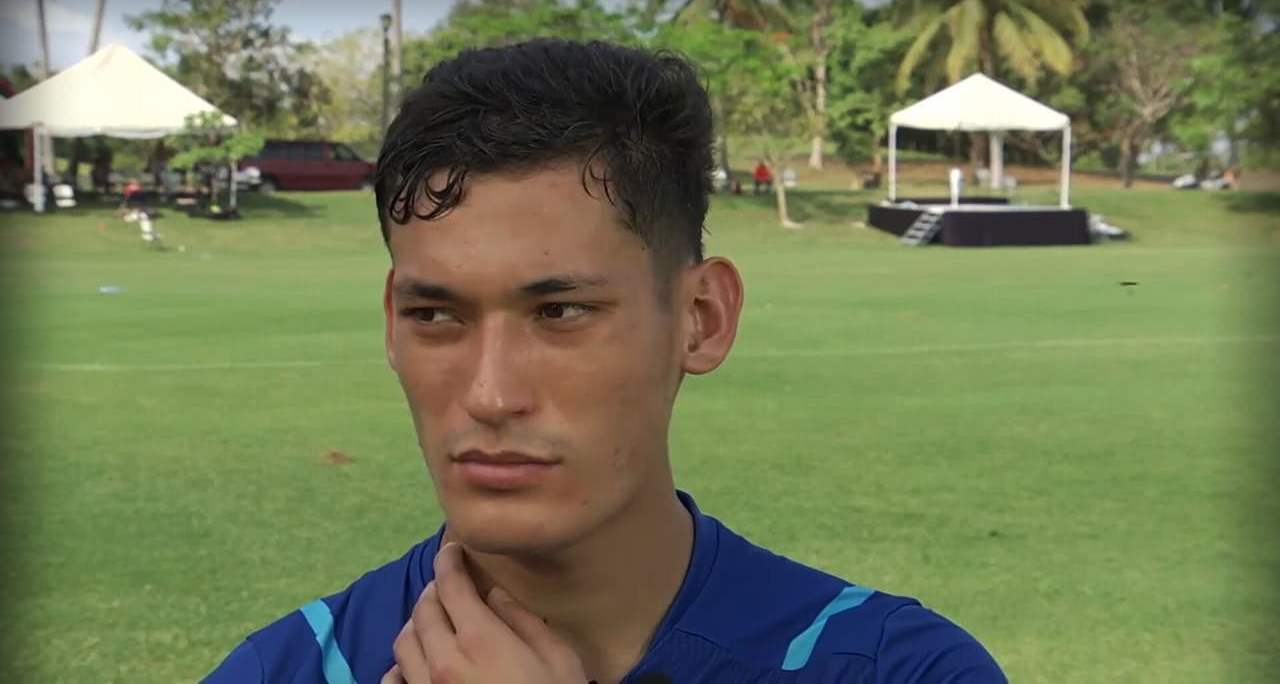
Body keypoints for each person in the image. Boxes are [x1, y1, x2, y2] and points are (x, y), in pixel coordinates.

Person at [202, 38, 1006, 684]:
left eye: (559, 312)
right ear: (391, 323)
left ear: (701, 319)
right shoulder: (289, 668)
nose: (490, 395)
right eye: (436, 315)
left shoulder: (889, 667)